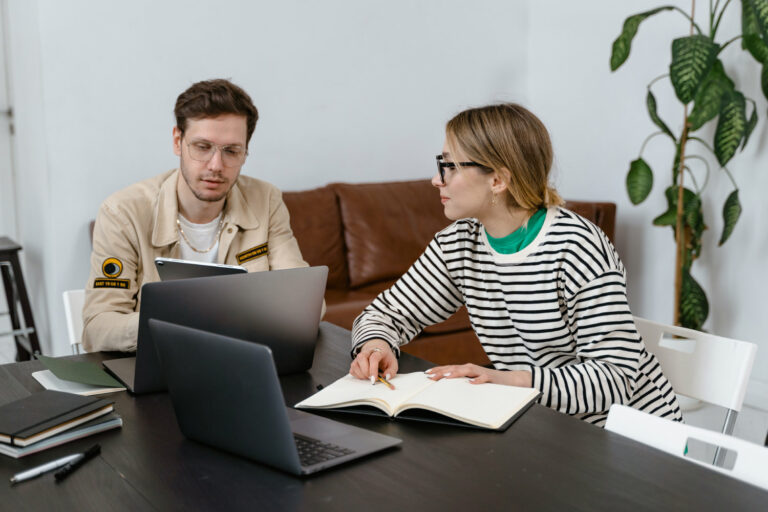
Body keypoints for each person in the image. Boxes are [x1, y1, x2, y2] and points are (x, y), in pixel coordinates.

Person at [348, 103, 682, 426]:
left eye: (449, 166)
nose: (436, 179)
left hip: (630, 435)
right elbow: (385, 314)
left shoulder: (578, 247)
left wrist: (510, 381)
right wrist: (376, 346)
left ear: (498, 180)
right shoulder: (459, 243)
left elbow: (614, 380)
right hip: (542, 425)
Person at [82, 79, 309, 352]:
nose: (216, 165)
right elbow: (98, 327)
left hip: (242, 356)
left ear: (245, 152)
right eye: (202, 147)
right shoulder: (122, 213)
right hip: (162, 358)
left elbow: (305, 301)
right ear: (178, 142)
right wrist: (183, 322)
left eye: (231, 151)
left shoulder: (266, 200)